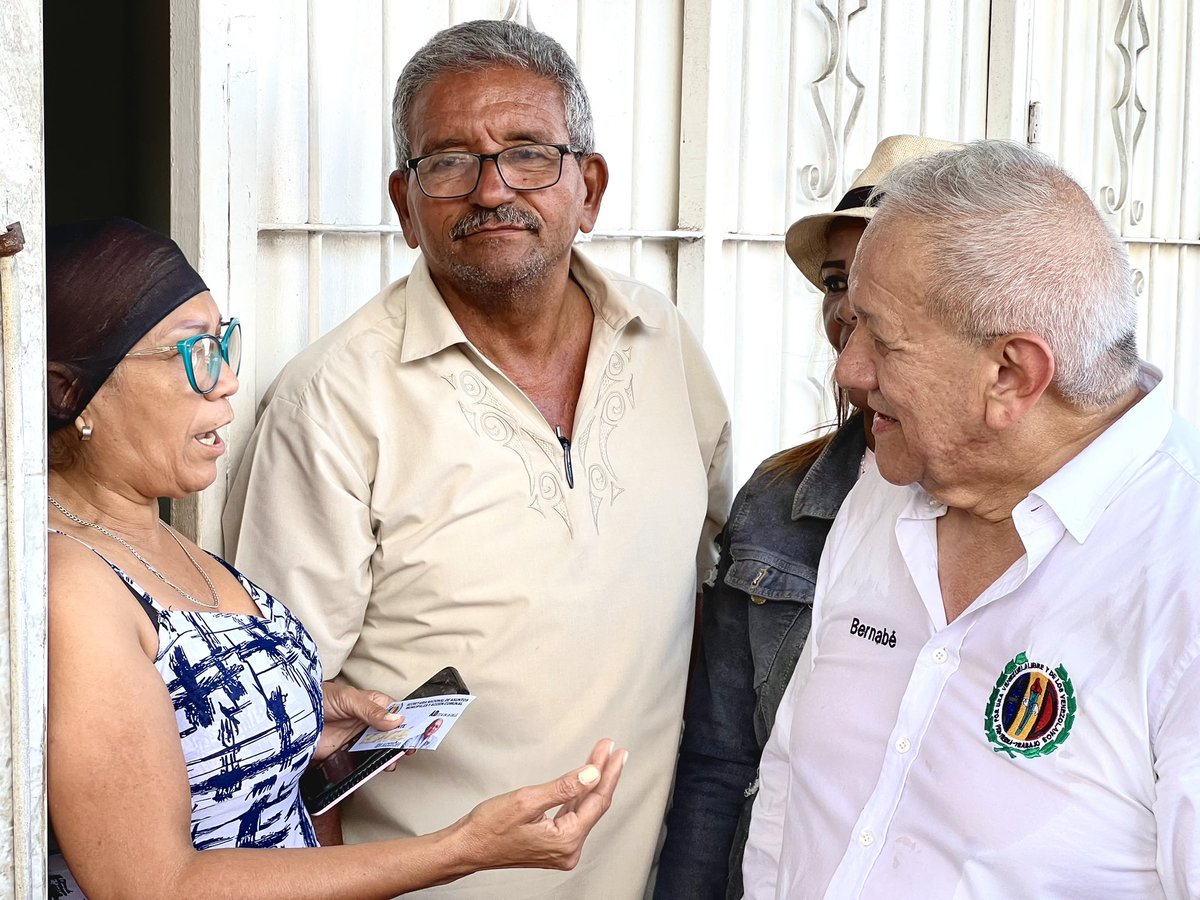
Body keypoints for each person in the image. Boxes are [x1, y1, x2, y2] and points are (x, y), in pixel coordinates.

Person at [222, 18, 731, 898]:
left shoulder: (662, 343)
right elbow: (285, 720)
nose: (493, 188)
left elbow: (706, 581)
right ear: (405, 205)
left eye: (529, 153)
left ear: (589, 188)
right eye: (450, 161)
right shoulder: (336, 399)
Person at [45, 217, 627, 899]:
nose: (226, 379)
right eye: (194, 351)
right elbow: (155, 886)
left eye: (224, 343)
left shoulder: (157, 539)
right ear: (71, 392)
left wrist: (299, 720)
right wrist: (462, 849)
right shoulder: (71, 584)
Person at [742, 140, 1200, 898]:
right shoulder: (890, 483)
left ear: (1012, 375)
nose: (849, 370)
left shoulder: (1179, 570)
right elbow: (791, 791)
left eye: (883, 339)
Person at [654, 135, 961, 899]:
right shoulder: (779, 503)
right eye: (836, 280)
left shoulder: (1062, 524)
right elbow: (721, 762)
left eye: (886, 281)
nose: (850, 306)